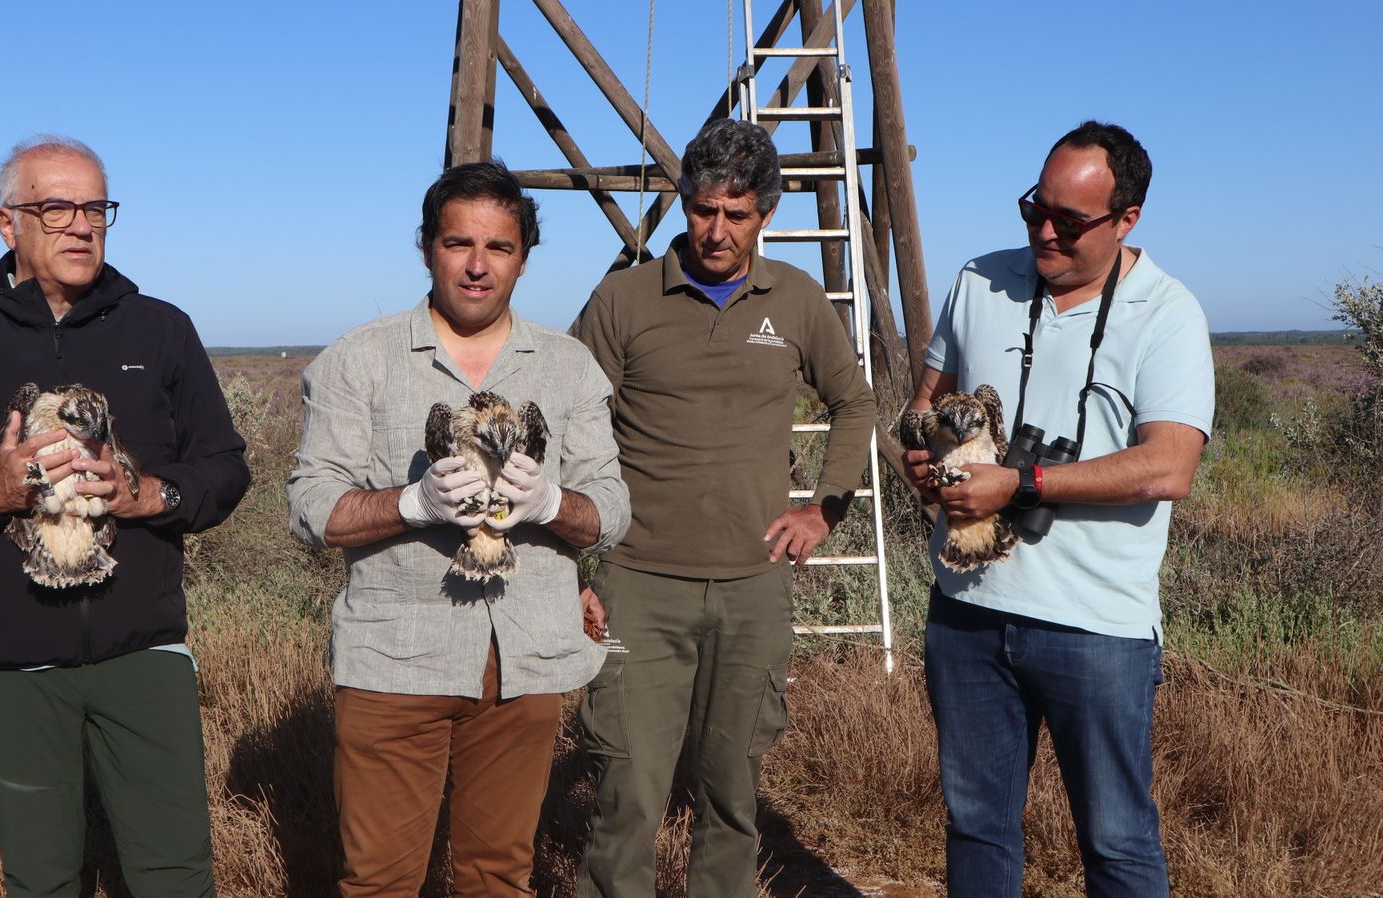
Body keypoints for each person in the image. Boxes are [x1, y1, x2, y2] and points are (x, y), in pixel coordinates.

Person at [0, 135, 249, 898]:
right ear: (9, 225)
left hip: (145, 653)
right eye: (58, 207)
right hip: (6, 663)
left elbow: (226, 468)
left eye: (96, 206)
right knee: (41, 881)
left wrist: (148, 496)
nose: (83, 224)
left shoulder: (161, 330)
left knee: (176, 877)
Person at [287, 159, 629, 898]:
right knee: (378, 881)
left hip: (527, 662)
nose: (477, 267)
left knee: (499, 878)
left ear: (524, 258)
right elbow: (312, 508)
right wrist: (411, 505)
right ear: (427, 248)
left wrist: (551, 503)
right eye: (457, 245)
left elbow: (611, 514)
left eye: (498, 248)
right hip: (393, 660)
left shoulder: (570, 369)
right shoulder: (360, 359)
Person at [904, 121, 1214, 898]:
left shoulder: (1167, 313)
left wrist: (1023, 484)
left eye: (1069, 222)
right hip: (967, 611)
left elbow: (1170, 466)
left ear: (1128, 219)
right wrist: (920, 456)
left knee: (1115, 841)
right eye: (1034, 210)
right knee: (976, 826)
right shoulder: (979, 279)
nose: (1045, 231)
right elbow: (924, 406)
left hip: (1097, 627)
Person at [569, 118, 877, 898]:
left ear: (765, 216)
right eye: (703, 210)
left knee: (731, 798)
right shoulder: (623, 299)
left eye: (736, 215)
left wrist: (823, 511)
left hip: (753, 586)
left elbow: (856, 403)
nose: (716, 230)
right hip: (639, 581)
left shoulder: (799, 302)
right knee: (626, 796)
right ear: (682, 204)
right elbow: (565, 423)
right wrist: (571, 568)